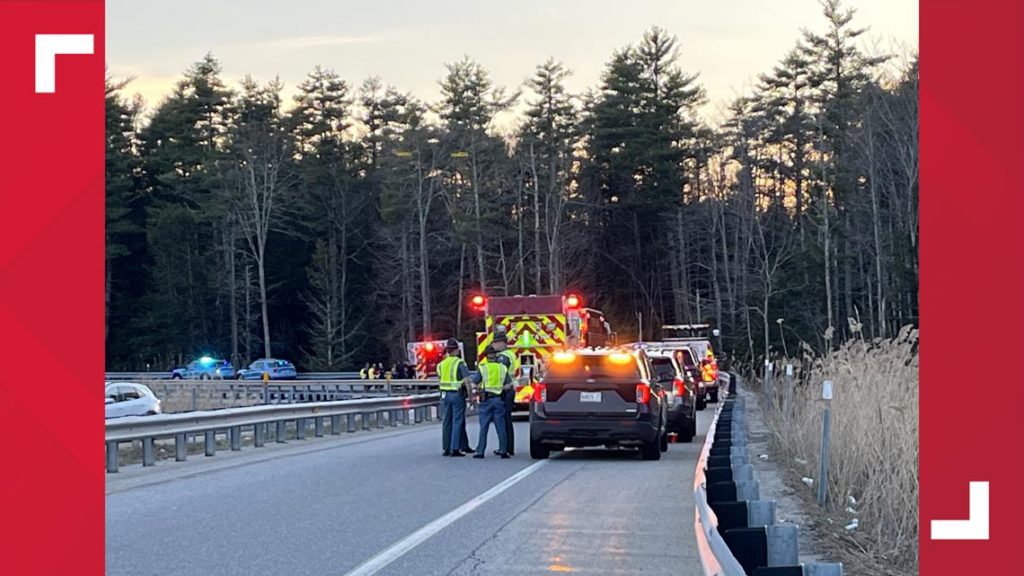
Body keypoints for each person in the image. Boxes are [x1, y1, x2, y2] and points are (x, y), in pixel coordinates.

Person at [474, 345, 511, 459]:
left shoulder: (483, 368)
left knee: (484, 426)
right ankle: (503, 450)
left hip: (486, 400)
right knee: (500, 425)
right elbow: (509, 385)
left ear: (486, 356)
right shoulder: (502, 368)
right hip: (498, 399)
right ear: (496, 356)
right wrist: (500, 389)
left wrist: (478, 390)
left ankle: (480, 451)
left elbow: (474, 383)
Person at [437, 339, 472, 457]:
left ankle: (447, 447)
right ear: (456, 350)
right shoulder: (460, 363)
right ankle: (455, 448)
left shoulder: (441, 364)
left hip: (444, 395)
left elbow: (440, 378)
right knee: (458, 420)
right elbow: (467, 381)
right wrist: (471, 395)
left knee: (447, 421)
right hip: (457, 395)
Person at [491, 326, 519, 456]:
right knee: (507, 419)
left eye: (495, 343)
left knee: (504, 419)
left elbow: (500, 373)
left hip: (505, 390)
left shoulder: (503, 357)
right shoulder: (510, 354)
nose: (493, 345)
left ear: (502, 343)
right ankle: (508, 447)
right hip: (510, 389)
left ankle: (506, 447)